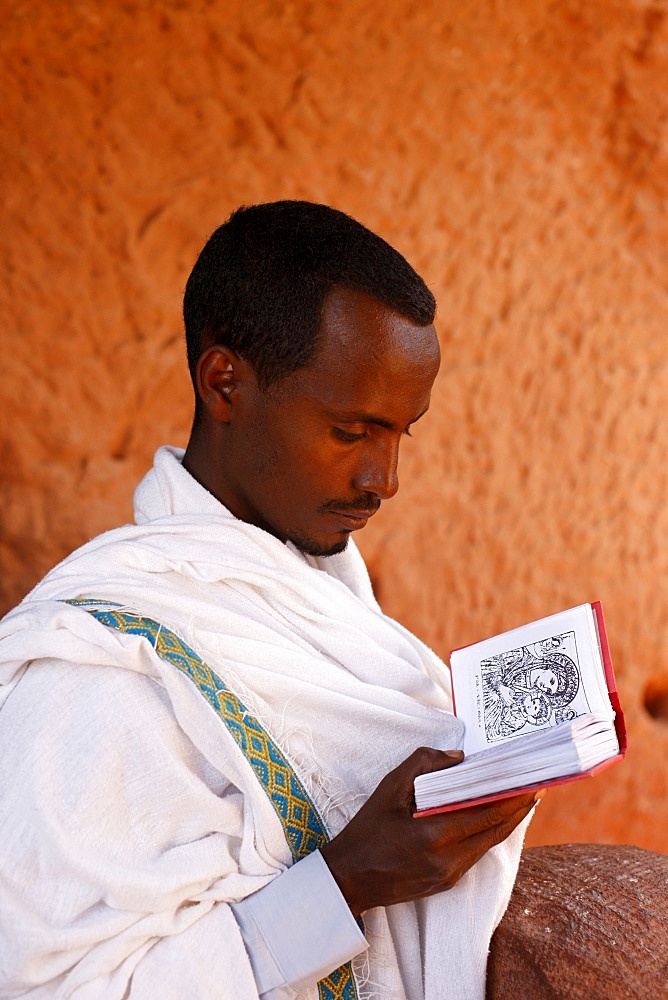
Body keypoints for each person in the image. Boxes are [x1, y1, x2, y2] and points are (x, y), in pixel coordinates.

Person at [0, 202, 540, 1000]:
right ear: (225, 383)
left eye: (403, 434)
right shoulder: (88, 678)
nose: (384, 480)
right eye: (352, 432)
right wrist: (345, 884)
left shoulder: (320, 608)